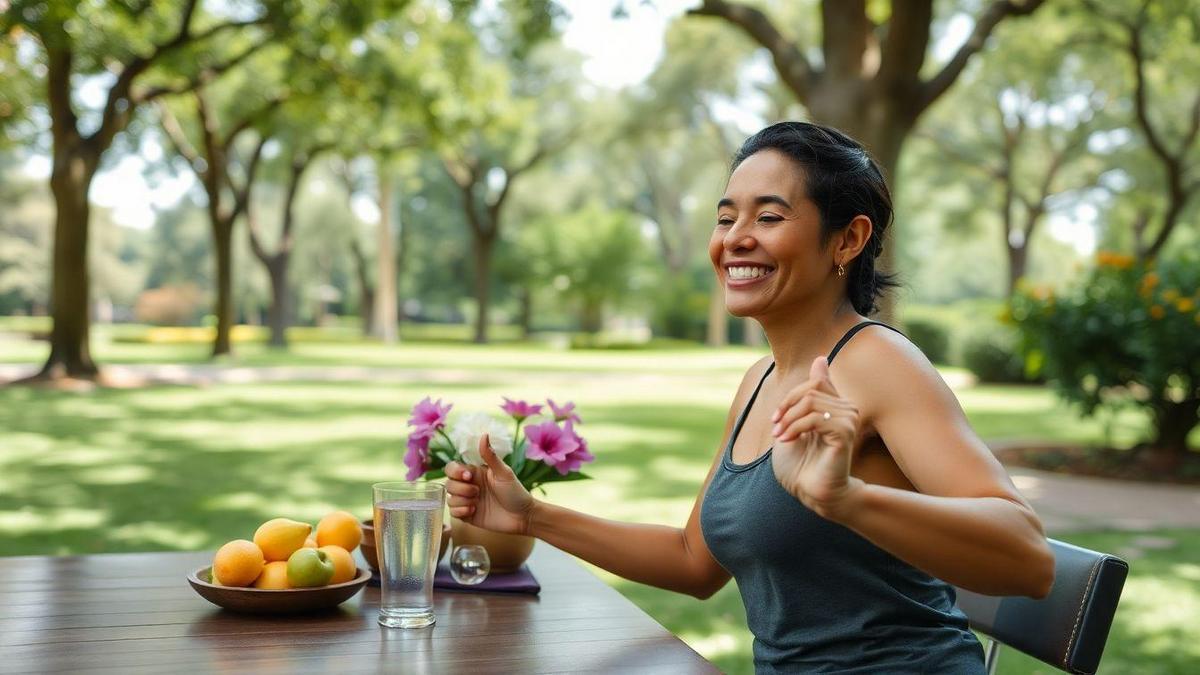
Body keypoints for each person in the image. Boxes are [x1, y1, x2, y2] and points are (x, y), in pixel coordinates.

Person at [444, 121, 1055, 674]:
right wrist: (532, 517)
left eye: (769, 217)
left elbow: (1028, 559)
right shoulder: (760, 378)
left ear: (847, 241)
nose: (736, 239)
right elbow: (693, 562)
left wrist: (848, 499)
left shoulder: (878, 362)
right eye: (726, 216)